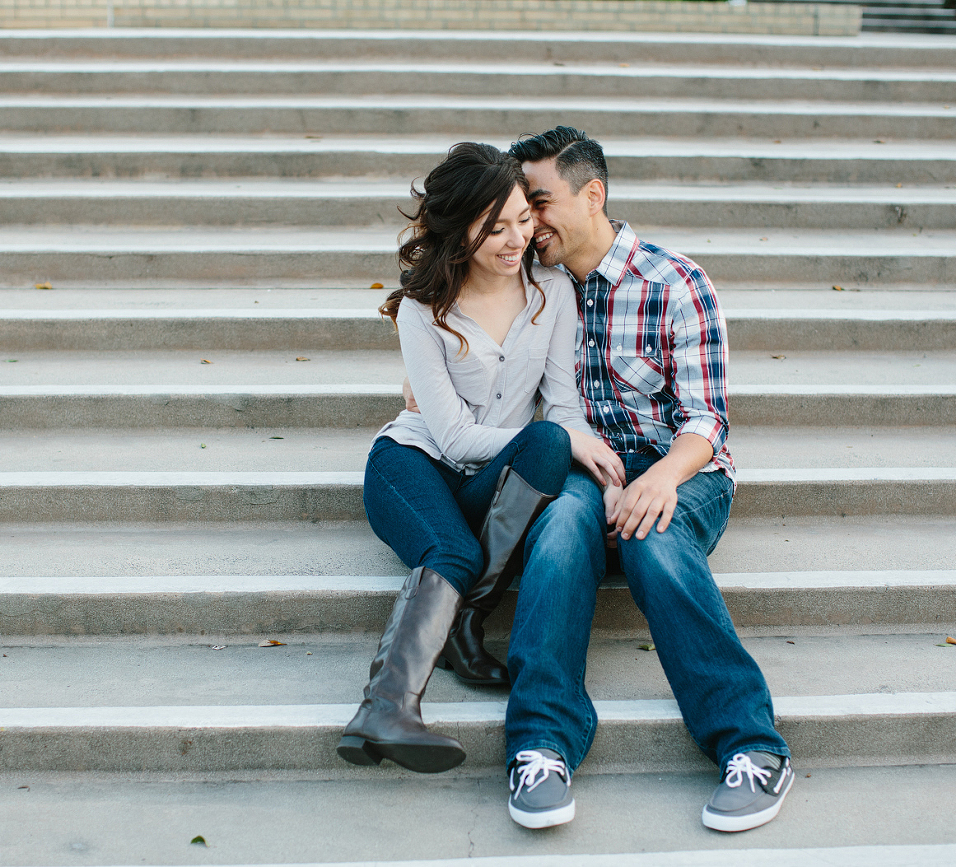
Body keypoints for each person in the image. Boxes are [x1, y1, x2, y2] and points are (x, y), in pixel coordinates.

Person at [500, 127, 794, 832]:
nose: (527, 222)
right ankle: (539, 742)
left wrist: (658, 478)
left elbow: (707, 421)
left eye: (537, 201)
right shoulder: (531, 289)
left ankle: (752, 743)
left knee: (652, 539)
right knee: (563, 524)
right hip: (581, 467)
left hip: (682, 470)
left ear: (591, 194)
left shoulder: (674, 281)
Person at [338, 142, 624, 775]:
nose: (517, 238)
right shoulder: (423, 309)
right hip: (414, 463)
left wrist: (584, 450)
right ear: (459, 231)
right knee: (455, 550)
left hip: (490, 483)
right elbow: (457, 439)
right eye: (495, 228)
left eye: (524, 220)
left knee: (551, 440)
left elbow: (564, 408)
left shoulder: (552, 292)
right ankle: (385, 707)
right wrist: (560, 439)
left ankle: (464, 626)